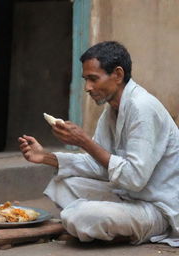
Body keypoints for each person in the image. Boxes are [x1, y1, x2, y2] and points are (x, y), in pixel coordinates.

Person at [18, 41, 179, 247]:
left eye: (93, 79)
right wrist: (46, 157)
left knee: (83, 217)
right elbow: (99, 166)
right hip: (128, 197)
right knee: (61, 184)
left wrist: (84, 141)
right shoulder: (111, 110)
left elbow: (135, 179)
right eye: (85, 80)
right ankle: (110, 226)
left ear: (118, 75)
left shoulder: (142, 108)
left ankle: (117, 228)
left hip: (159, 210)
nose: (87, 88)